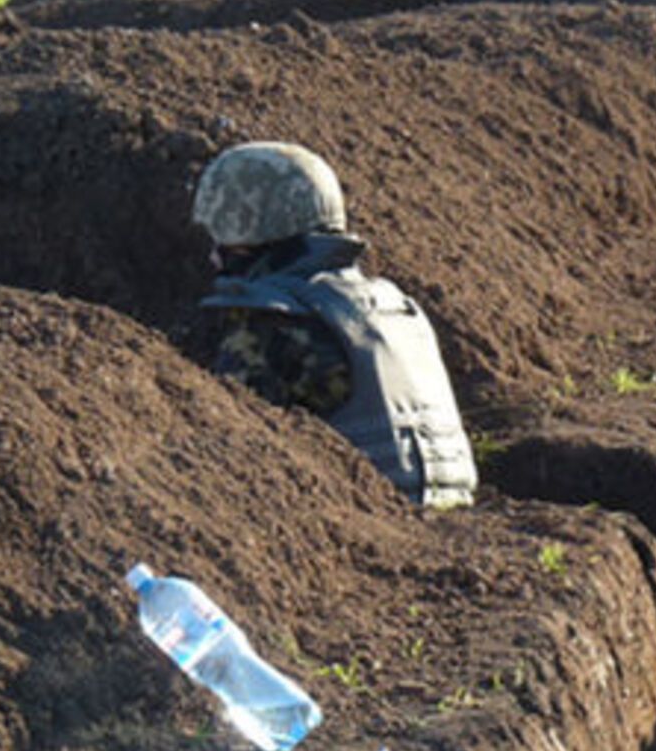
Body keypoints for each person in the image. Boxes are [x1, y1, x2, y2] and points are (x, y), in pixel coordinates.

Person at [192, 141, 478, 509]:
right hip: (452, 518)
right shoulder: (398, 309)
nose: (214, 257)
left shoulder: (275, 321)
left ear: (252, 238)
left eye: (225, 245)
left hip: (365, 526)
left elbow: (220, 453)